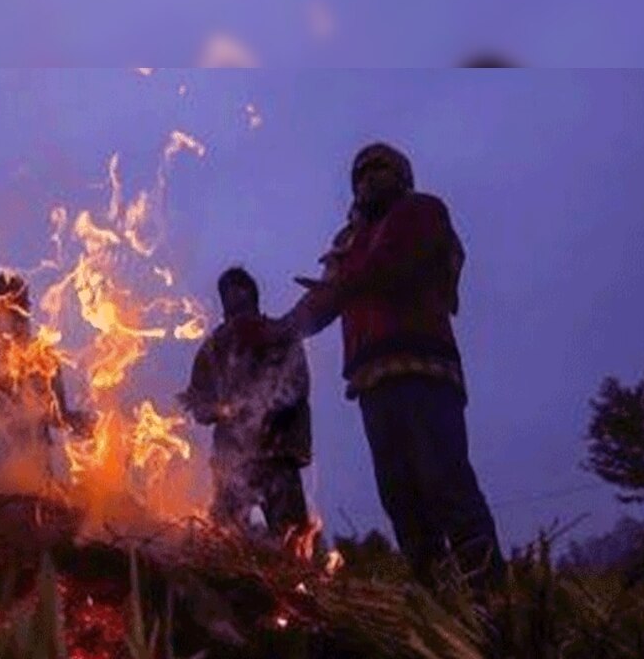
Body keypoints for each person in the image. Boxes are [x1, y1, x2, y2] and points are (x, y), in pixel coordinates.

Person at [266, 142, 505, 591]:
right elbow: (322, 301)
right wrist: (277, 331)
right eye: (360, 174)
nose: (368, 179)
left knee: (446, 483)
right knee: (401, 497)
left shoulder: (421, 211)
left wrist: (340, 283)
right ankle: (439, 599)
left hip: (423, 369)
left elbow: (394, 266)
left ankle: (489, 595)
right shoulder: (350, 243)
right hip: (372, 382)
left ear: (403, 176)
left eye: (380, 169)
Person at [178, 267, 312, 540]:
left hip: (277, 453)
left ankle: (298, 580)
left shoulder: (279, 335)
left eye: (240, 291)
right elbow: (199, 403)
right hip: (232, 459)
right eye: (227, 293)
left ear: (254, 295)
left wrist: (262, 411)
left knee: (292, 538)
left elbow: (297, 387)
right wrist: (217, 409)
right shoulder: (213, 348)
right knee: (224, 538)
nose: (234, 299)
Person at [0, 272, 92, 477]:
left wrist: (87, 425)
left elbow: (57, 416)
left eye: (21, 310)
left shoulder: (43, 359)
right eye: (10, 308)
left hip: (33, 475)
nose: (16, 318)